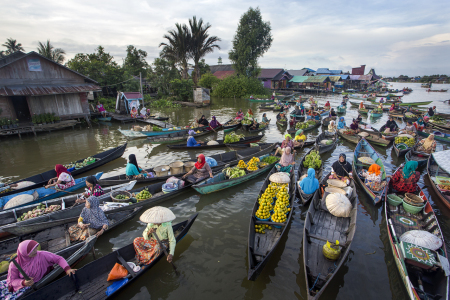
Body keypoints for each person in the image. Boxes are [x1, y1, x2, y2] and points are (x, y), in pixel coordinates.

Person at [3, 240, 76, 298]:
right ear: (24, 253)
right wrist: (23, 282)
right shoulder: (14, 264)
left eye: (35, 248)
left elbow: (59, 259)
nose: (35, 251)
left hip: (41, 280)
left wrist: (67, 269)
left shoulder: (41, 254)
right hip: (25, 286)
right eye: (32, 250)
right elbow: (12, 281)